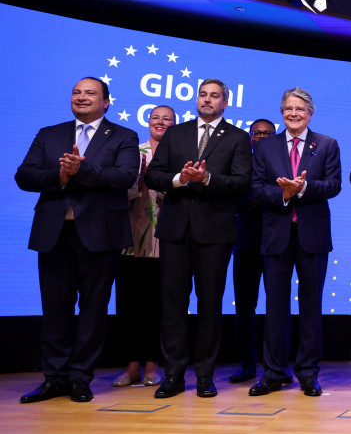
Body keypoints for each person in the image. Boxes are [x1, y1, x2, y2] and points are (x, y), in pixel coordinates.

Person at [15, 77, 139, 403]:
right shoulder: (49, 133)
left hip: (100, 235)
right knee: (55, 309)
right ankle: (53, 378)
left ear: (106, 102)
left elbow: (124, 177)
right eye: (76, 92)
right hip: (53, 233)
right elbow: (24, 175)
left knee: (93, 309)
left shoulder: (124, 136)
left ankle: (80, 379)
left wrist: (80, 171)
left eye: (90, 93)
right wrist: (60, 175)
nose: (82, 97)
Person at [146, 79, 252, 399]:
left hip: (216, 233)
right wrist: (180, 179)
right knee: (173, 305)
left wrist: (206, 178)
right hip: (176, 229)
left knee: (209, 305)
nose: (207, 100)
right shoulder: (176, 133)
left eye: (214, 96)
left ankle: (205, 375)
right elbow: (153, 176)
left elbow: (242, 184)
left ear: (225, 102)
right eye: (203, 95)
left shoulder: (238, 137)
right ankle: (173, 375)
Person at [247, 88, 342, 397]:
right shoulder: (266, 147)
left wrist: (301, 189)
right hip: (276, 235)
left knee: (311, 307)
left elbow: (333, 185)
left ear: (309, 113)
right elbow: (258, 188)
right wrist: (284, 194)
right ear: (282, 112)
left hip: (312, 237)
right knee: (275, 307)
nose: (293, 113)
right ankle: (273, 373)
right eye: (288, 108)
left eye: (299, 108)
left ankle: (308, 374)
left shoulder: (326, 144)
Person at [112, 104, 175, 388]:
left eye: (167, 119)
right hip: (131, 243)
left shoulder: (179, 157)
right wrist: (136, 184)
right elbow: (117, 196)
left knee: (159, 307)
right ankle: (132, 367)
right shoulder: (132, 153)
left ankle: (152, 366)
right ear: (148, 121)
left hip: (167, 243)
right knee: (129, 307)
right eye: (155, 118)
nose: (160, 122)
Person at [228, 118, 276, 385]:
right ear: (249, 136)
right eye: (256, 133)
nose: (261, 137)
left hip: (275, 245)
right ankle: (247, 364)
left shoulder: (280, 161)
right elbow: (236, 196)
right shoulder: (240, 164)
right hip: (245, 244)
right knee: (244, 308)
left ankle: (275, 365)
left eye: (267, 133)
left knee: (276, 308)